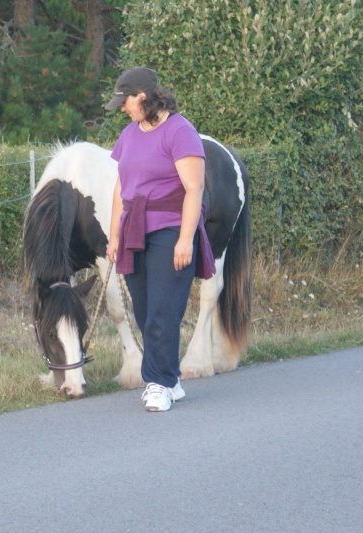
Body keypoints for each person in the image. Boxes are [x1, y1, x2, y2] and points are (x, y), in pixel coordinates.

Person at [104, 67, 216, 412]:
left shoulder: (180, 132)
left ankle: (158, 383)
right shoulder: (129, 134)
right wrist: (114, 235)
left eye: (125, 102)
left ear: (143, 96)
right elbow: (122, 187)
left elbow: (194, 188)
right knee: (144, 309)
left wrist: (185, 239)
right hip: (134, 229)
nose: (122, 108)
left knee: (163, 311)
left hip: (170, 228)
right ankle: (170, 378)